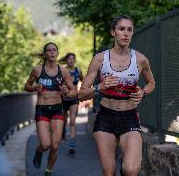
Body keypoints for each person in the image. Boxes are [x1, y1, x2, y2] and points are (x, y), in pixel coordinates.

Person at [78, 15, 155, 176]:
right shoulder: (100, 59)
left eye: (129, 30)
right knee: (108, 171)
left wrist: (143, 92)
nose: (126, 33)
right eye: (121, 29)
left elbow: (151, 83)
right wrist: (100, 86)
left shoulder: (140, 59)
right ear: (113, 32)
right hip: (106, 116)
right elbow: (82, 94)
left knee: (131, 170)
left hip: (129, 116)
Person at [24, 42, 77, 176]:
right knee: (46, 144)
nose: (52, 52)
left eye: (54, 50)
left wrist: (66, 92)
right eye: (49, 50)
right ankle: (39, 151)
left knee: (55, 145)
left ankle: (48, 171)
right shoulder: (37, 70)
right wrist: (35, 88)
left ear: (57, 53)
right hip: (42, 109)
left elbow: (74, 91)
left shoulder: (63, 71)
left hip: (57, 109)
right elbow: (26, 86)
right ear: (45, 54)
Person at [59, 53, 83, 155]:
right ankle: (63, 132)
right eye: (69, 59)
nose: (71, 60)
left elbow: (84, 82)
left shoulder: (78, 71)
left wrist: (85, 91)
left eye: (73, 59)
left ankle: (72, 144)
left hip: (74, 99)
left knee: (72, 121)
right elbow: (58, 84)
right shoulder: (63, 71)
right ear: (66, 60)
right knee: (64, 120)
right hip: (64, 99)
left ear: (75, 60)